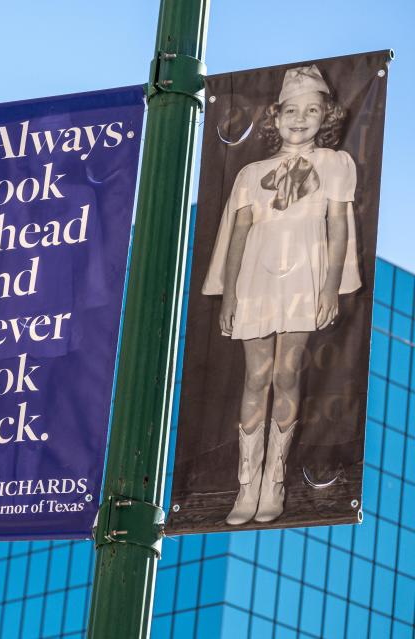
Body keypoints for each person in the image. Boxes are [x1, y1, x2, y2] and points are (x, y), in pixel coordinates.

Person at [202, 65, 361, 525]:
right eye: (291, 110)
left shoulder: (336, 164)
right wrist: (229, 294)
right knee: (256, 376)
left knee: (286, 372)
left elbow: (337, 228)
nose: (300, 118)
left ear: (326, 115)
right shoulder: (252, 172)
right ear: (275, 116)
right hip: (256, 278)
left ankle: (275, 478)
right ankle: (246, 483)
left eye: (311, 110)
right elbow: (237, 236)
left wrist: (330, 286)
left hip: (303, 279)